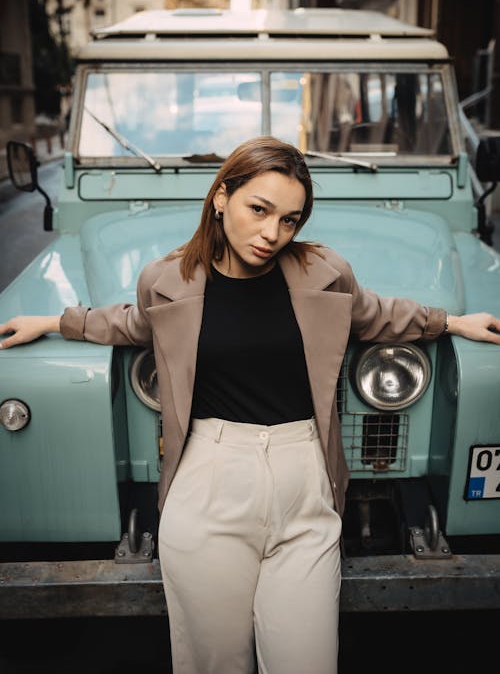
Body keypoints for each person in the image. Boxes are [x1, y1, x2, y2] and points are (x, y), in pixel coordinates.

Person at [1, 136, 500, 674]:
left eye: (289, 220)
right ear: (221, 197)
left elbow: (375, 315)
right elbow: (132, 324)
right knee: (214, 664)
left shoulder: (323, 273)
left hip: (306, 483)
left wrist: (450, 321)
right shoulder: (168, 282)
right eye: (258, 209)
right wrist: (56, 321)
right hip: (209, 481)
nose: (272, 234)